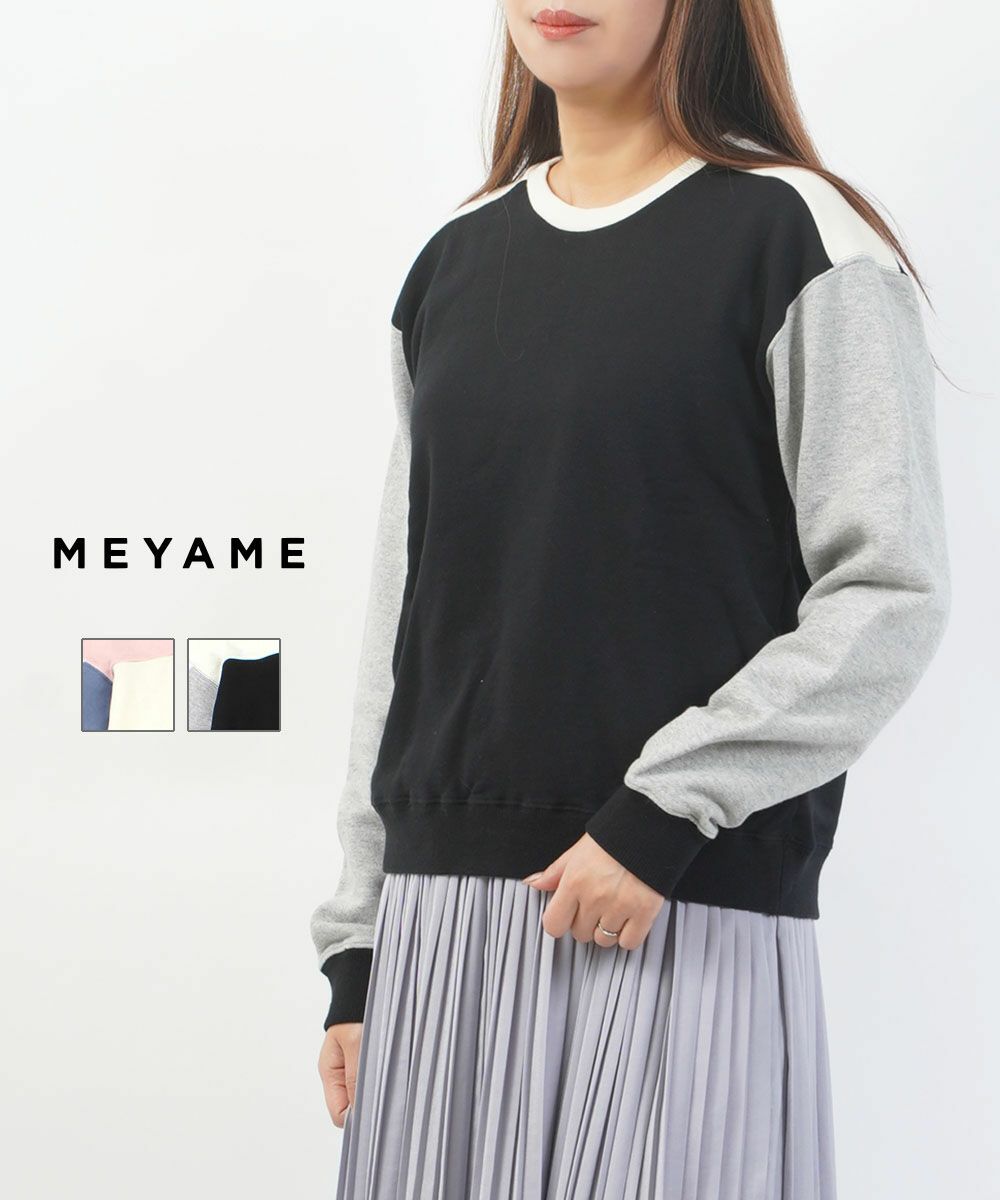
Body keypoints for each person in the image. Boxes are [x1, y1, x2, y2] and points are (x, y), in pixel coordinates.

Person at [310, 2, 951, 1196]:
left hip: (671, 904)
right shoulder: (452, 264)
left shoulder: (797, 238)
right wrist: (358, 945)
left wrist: (663, 814)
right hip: (435, 929)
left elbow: (886, 590)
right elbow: (407, 620)